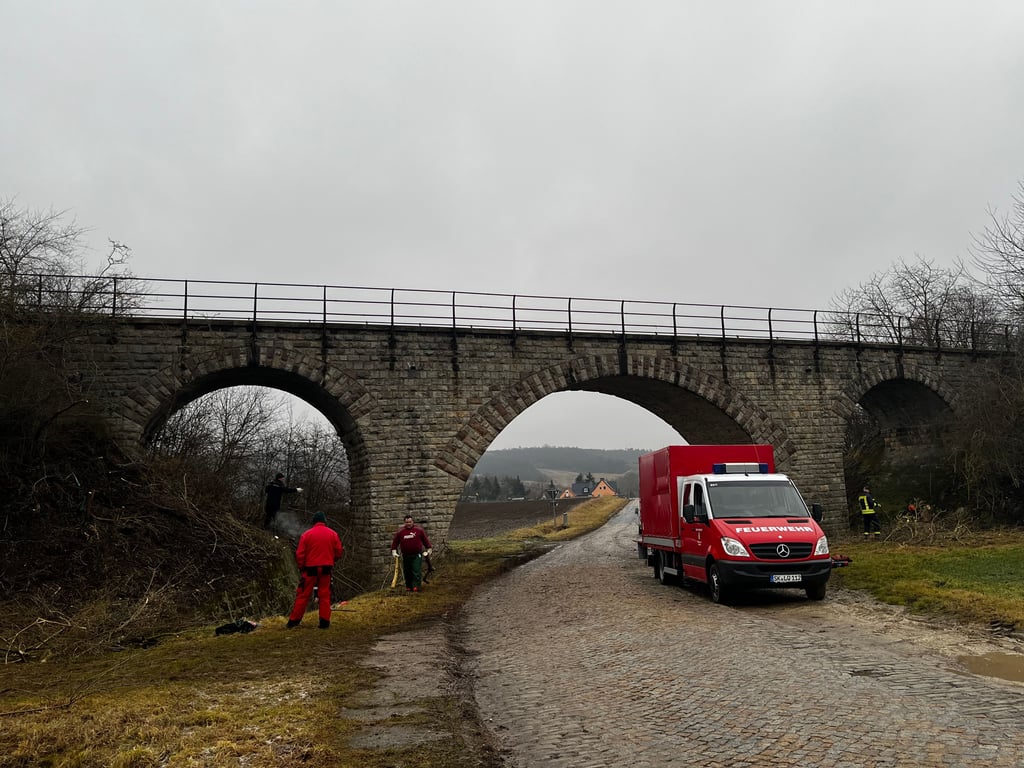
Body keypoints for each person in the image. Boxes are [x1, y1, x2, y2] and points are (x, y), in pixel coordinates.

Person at [286, 512, 343, 629]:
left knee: (303, 595)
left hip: (310, 568)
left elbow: (300, 554)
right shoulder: (333, 534)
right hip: (326, 567)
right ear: (324, 521)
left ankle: (294, 621)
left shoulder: (307, 535)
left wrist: (302, 567)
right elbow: (338, 552)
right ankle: (324, 622)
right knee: (325, 594)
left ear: (314, 522)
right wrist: (331, 560)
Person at [391, 515, 432, 593]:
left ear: (412, 522)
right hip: (406, 555)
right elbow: (395, 542)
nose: (408, 523)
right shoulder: (400, 532)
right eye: (407, 522)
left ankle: (416, 587)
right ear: (404, 523)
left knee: (416, 570)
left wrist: (429, 548)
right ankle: (408, 587)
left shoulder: (419, 530)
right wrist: (394, 551)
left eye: (410, 522)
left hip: (417, 555)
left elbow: (425, 540)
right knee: (407, 571)